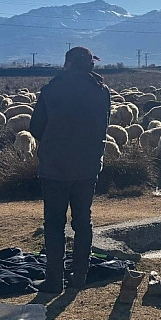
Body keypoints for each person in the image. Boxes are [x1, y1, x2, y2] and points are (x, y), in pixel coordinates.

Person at [29, 47, 111, 293]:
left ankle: (54, 280)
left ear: (67, 63)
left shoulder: (52, 88)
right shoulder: (101, 90)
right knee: (83, 221)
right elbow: (104, 126)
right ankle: (79, 276)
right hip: (86, 166)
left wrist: (55, 140)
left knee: (54, 223)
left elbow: (35, 128)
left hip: (55, 166)